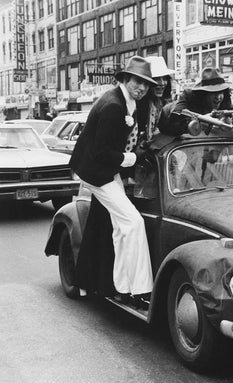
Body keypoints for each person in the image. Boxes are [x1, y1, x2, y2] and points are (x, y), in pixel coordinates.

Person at [69, 56, 155, 307]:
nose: (142, 88)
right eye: (138, 82)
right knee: (133, 222)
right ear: (126, 80)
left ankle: (121, 285)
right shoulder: (113, 107)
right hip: (97, 172)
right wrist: (133, 157)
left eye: (146, 84)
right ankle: (140, 289)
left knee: (120, 227)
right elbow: (101, 153)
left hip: (105, 170)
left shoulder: (126, 102)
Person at [163, 67, 233, 136]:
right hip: (166, 123)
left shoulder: (225, 99)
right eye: (213, 92)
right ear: (203, 93)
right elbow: (175, 118)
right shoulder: (189, 96)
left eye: (221, 92)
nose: (218, 97)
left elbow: (232, 111)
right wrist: (201, 119)